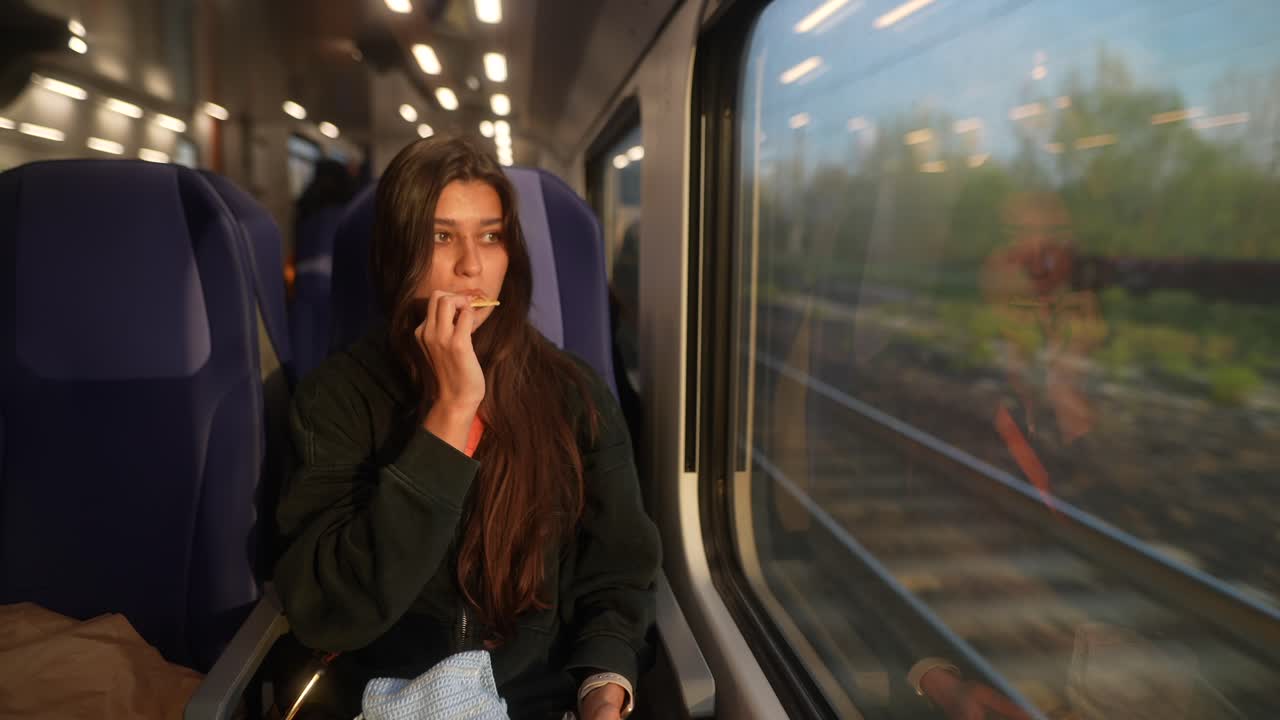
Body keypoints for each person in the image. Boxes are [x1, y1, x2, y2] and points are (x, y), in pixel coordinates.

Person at [273, 136, 661, 720]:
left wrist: (604, 685)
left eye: (491, 235)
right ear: (396, 254)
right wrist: (450, 417)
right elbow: (332, 610)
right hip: (376, 699)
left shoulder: (573, 393)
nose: (471, 265)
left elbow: (617, 575)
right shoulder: (335, 400)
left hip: (530, 699)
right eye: (440, 236)